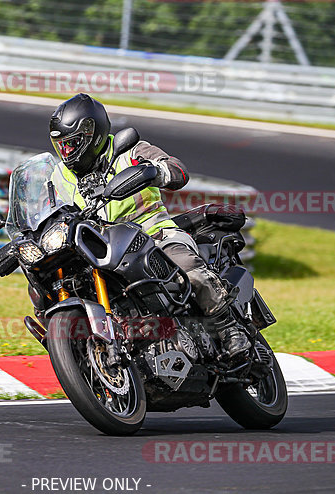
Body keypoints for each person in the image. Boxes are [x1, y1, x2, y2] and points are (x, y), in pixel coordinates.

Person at [48, 93, 250, 358]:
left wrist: (157, 172)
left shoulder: (129, 150)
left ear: (92, 135)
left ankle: (228, 328)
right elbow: (48, 211)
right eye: (62, 146)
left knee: (188, 270)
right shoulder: (58, 176)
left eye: (72, 144)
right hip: (104, 249)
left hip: (154, 233)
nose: (67, 152)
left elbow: (177, 169)